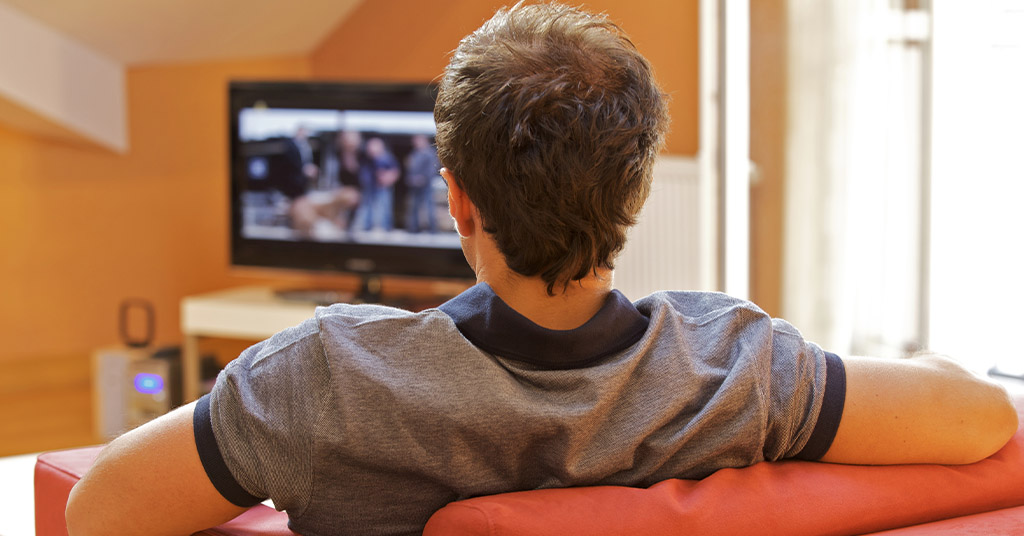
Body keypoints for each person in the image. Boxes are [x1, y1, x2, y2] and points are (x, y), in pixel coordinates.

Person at [66, 3, 1018, 536]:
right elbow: (984, 420)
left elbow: (99, 511)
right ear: (636, 195)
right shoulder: (736, 367)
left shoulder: (323, 381)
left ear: (458, 201)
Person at [404, 133, 441, 233]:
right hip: (414, 185)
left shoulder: (429, 154)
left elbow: (432, 169)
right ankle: (413, 228)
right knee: (414, 207)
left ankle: (432, 229)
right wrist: (411, 179)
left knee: (428, 206)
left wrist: (423, 179)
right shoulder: (414, 154)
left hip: (426, 185)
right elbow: (410, 169)